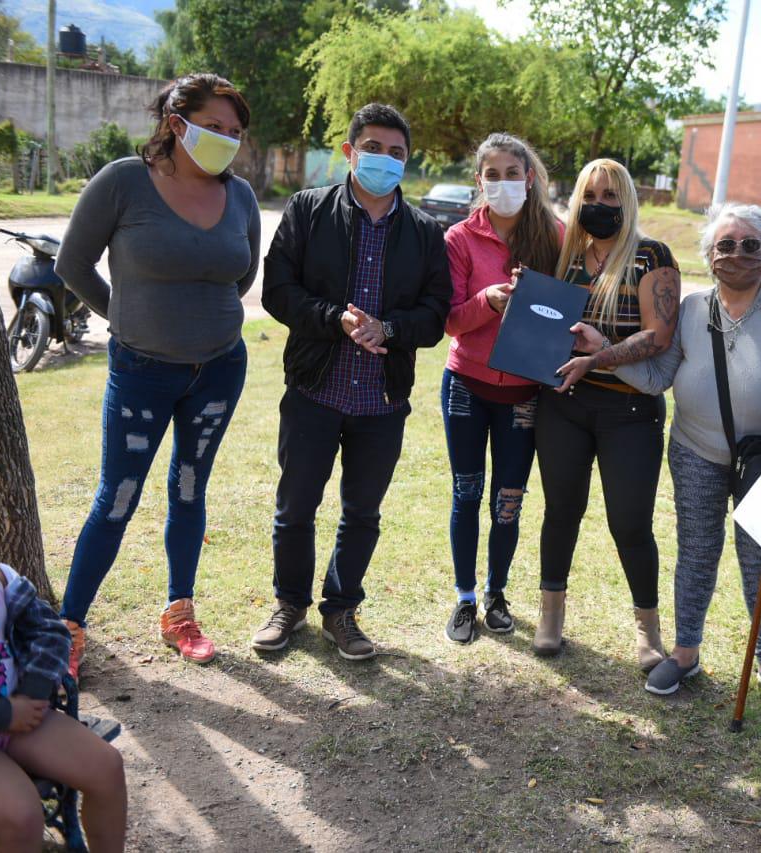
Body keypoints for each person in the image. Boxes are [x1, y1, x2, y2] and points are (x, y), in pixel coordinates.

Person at [573, 203, 761, 704]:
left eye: (750, 245)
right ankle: (685, 651)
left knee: (760, 558)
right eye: (725, 245)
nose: (737, 254)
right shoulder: (693, 308)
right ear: (708, 256)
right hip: (695, 449)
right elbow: (656, 376)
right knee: (695, 551)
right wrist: (604, 349)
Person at [54, 73, 260, 675]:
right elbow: (73, 263)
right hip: (142, 373)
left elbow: (240, 277)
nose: (226, 140)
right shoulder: (123, 182)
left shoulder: (241, 195)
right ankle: (69, 625)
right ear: (176, 124)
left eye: (235, 132)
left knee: (189, 490)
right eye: (215, 127)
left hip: (219, 370)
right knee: (117, 497)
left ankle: (179, 612)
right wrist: (126, 315)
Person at [252, 103, 451, 661]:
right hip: (315, 390)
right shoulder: (308, 211)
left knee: (362, 513)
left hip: (382, 400)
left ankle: (341, 610)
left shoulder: (425, 232)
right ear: (350, 151)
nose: (384, 159)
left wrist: (388, 327)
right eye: (373, 148)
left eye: (396, 153)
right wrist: (334, 318)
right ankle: (289, 605)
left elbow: (436, 315)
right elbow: (278, 291)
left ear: (407, 161)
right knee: (296, 507)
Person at [531, 159, 681, 671]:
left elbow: (658, 337)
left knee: (630, 522)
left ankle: (648, 630)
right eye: (591, 195)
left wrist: (599, 355)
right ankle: (551, 616)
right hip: (564, 405)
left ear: (629, 202)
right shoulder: (565, 254)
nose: (600, 206)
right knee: (561, 510)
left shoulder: (650, 255)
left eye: (612, 197)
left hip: (630, 409)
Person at [440, 133, 562, 644]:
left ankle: (497, 593)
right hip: (466, 384)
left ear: (529, 178)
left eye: (514, 173)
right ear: (479, 180)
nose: (504, 183)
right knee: (466, 494)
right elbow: (448, 320)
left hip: (525, 393)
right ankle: (465, 596)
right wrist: (488, 301)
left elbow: (567, 308)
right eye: (493, 174)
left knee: (508, 501)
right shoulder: (460, 239)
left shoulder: (555, 235)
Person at [0, 560, 127, 852]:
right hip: (7, 715)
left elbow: (50, 632)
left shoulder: (1, 578)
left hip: (20, 714)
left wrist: (32, 692)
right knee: (21, 816)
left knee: (106, 767)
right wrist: (3, 713)